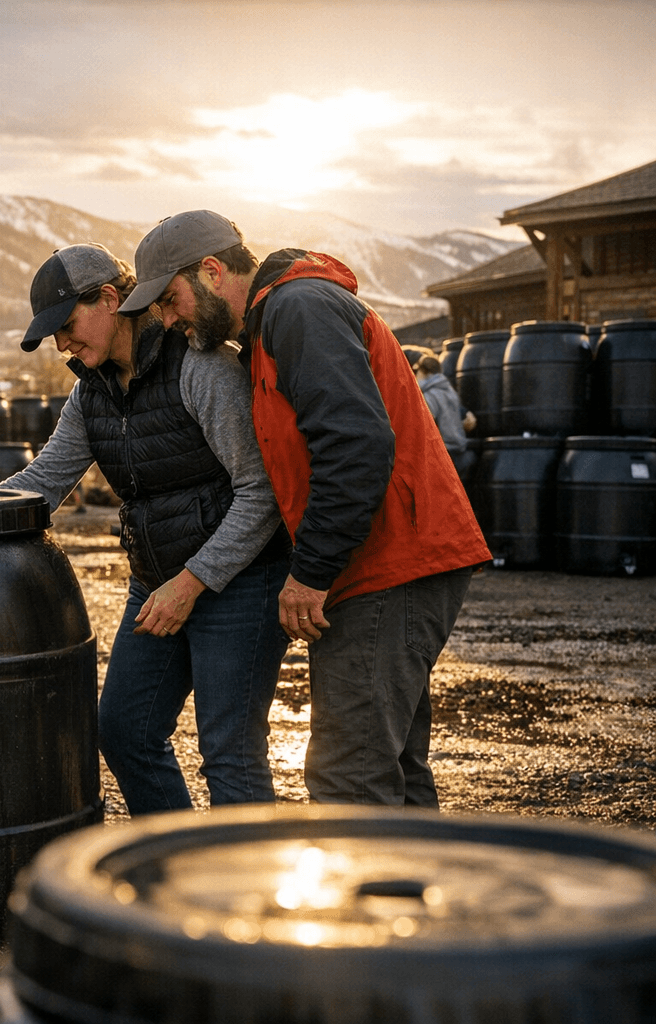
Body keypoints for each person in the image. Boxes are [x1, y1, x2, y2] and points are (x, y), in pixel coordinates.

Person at [121, 210, 491, 807]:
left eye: (169, 300)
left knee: (348, 778)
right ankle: (412, 869)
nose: (166, 320)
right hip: (391, 565)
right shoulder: (272, 325)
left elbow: (356, 446)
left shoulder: (298, 309)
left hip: (390, 566)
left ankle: (372, 874)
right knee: (393, 770)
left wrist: (309, 574)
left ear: (212, 271)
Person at [0, 242, 290, 814]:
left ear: (110, 299)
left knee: (229, 753)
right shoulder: (91, 393)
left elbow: (262, 492)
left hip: (240, 582)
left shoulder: (201, 367)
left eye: (66, 326)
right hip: (157, 581)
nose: (62, 344)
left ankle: (247, 874)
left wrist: (192, 583)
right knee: (125, 731)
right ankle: (176, 858)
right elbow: (43, 482)